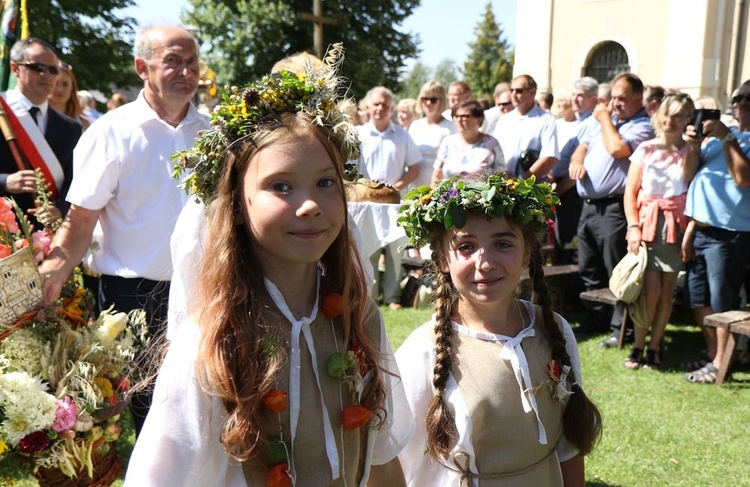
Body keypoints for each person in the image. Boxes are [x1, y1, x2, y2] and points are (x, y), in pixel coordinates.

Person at [125, 53, 412, 485]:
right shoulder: (212, 343)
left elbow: (381, 454)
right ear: (237, 204)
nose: (311, 204)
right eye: (281, 186)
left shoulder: (357, 315)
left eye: (326, 182)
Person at [39, 25, 209, 434]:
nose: (186, 71)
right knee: (152, 417)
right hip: (133, 298)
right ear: (142, 68)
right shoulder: (110, 132)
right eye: (173, 61)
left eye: (192, 62)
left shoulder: (212, 134)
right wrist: (53, 275)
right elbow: (81, 220)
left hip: (205, 291)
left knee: (204, 410)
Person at [395, 174, 601, 486]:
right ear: (442, 259)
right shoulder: (422, 350)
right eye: (466, 246)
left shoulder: (554, 329)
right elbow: (396, 458)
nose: (486, 262)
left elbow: (569, 443)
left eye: (502, 244)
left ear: (527, 254)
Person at [569, 73, 655, 345]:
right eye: (614, 97)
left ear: (638, 99)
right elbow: (581, 147)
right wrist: (578, 160)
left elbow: (618, 149)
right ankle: (597, 320)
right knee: (589, 266)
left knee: (616, 269)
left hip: (614, 208)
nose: (615, 103)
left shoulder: (642, 126)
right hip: (589, 206)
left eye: (622, 98)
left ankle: (622, 329)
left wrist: (605, 118)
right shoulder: (608, 123)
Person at [623, 94, 699, 369]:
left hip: (675, 225)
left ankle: (655, 347)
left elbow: (689, 178)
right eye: (666, 114)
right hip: (647, 222)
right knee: (649, 291)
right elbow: (630, 192)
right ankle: (638, 344)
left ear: (688, 118)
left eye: (677, 115)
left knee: (667, 291)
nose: (670, 120)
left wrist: (693, 146)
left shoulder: (691, 150)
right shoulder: (645, 148)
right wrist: (632, 226)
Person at [681, 81, 750, 383]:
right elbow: (688, 177)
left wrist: (728, 137)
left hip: (730, 234)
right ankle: (714, 356)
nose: (742, 103)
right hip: (701, 231)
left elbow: (743, 179)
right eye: (738, 98)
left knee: (723, 302)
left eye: (749, 99)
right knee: (698, 299)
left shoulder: (729, 138)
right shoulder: (712, 141)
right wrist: (694, 147)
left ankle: (722, 363)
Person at [0, 38, 82, 224]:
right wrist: (5, 181)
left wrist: (60, 209)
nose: (47, 75)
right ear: (15, 69)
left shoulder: (70, 127)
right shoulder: (2, 110)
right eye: (37, 67)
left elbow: (76, 179)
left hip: (49, 234)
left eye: (53, 70)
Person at [357, 86, 422, 309]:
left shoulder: (403, 135)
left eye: (385, 104)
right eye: (376, 104)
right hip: (367, 204)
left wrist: (396, 187)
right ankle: (371, 296)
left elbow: (414, 167)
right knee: (370, 250)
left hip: (395, 203)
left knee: (395, 252)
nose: (380, 108)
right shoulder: (358, 134)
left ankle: (393, 297)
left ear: (391, 107)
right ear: (368, 107)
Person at [550, 77, 599, 265]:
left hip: (573, 189)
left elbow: (581, 165)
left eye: (581, 96)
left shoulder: (592, 123)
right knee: (563, 242)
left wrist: (559, 191)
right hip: (564, 186)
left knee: (572, 245)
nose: (575, 100)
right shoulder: (578, 122)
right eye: (574, 95)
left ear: (593, 99)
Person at [492, 74, 559, 179]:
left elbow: (550, 157)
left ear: (532, 91)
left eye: (519, 91)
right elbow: (493, 152)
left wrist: (521, 180)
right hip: (503, 184)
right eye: (511, 90)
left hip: (530, 187)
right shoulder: (504, 121)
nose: (513, 94)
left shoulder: (546, 120)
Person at [430, 100, 505, 185]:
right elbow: (436, 176)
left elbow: (503, 176)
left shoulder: (492, 144)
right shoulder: (447, 142)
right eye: (456, 116)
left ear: (479, 119)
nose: (459, 120)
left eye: (465, 116)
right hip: (450, 196)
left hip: (481, 197)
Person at [408, 80, 455, 188]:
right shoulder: (415, 126)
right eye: (425, 99)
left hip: (440, 186)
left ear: (442, 101)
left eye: (433, 99)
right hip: (415, 185)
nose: (428, 103)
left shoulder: (450, 127)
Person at [48, 61, 90, 130]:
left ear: (72, 89)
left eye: (65, 84)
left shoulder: (84, 124)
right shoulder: (35, 116)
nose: (59, 89)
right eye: (55, 83)